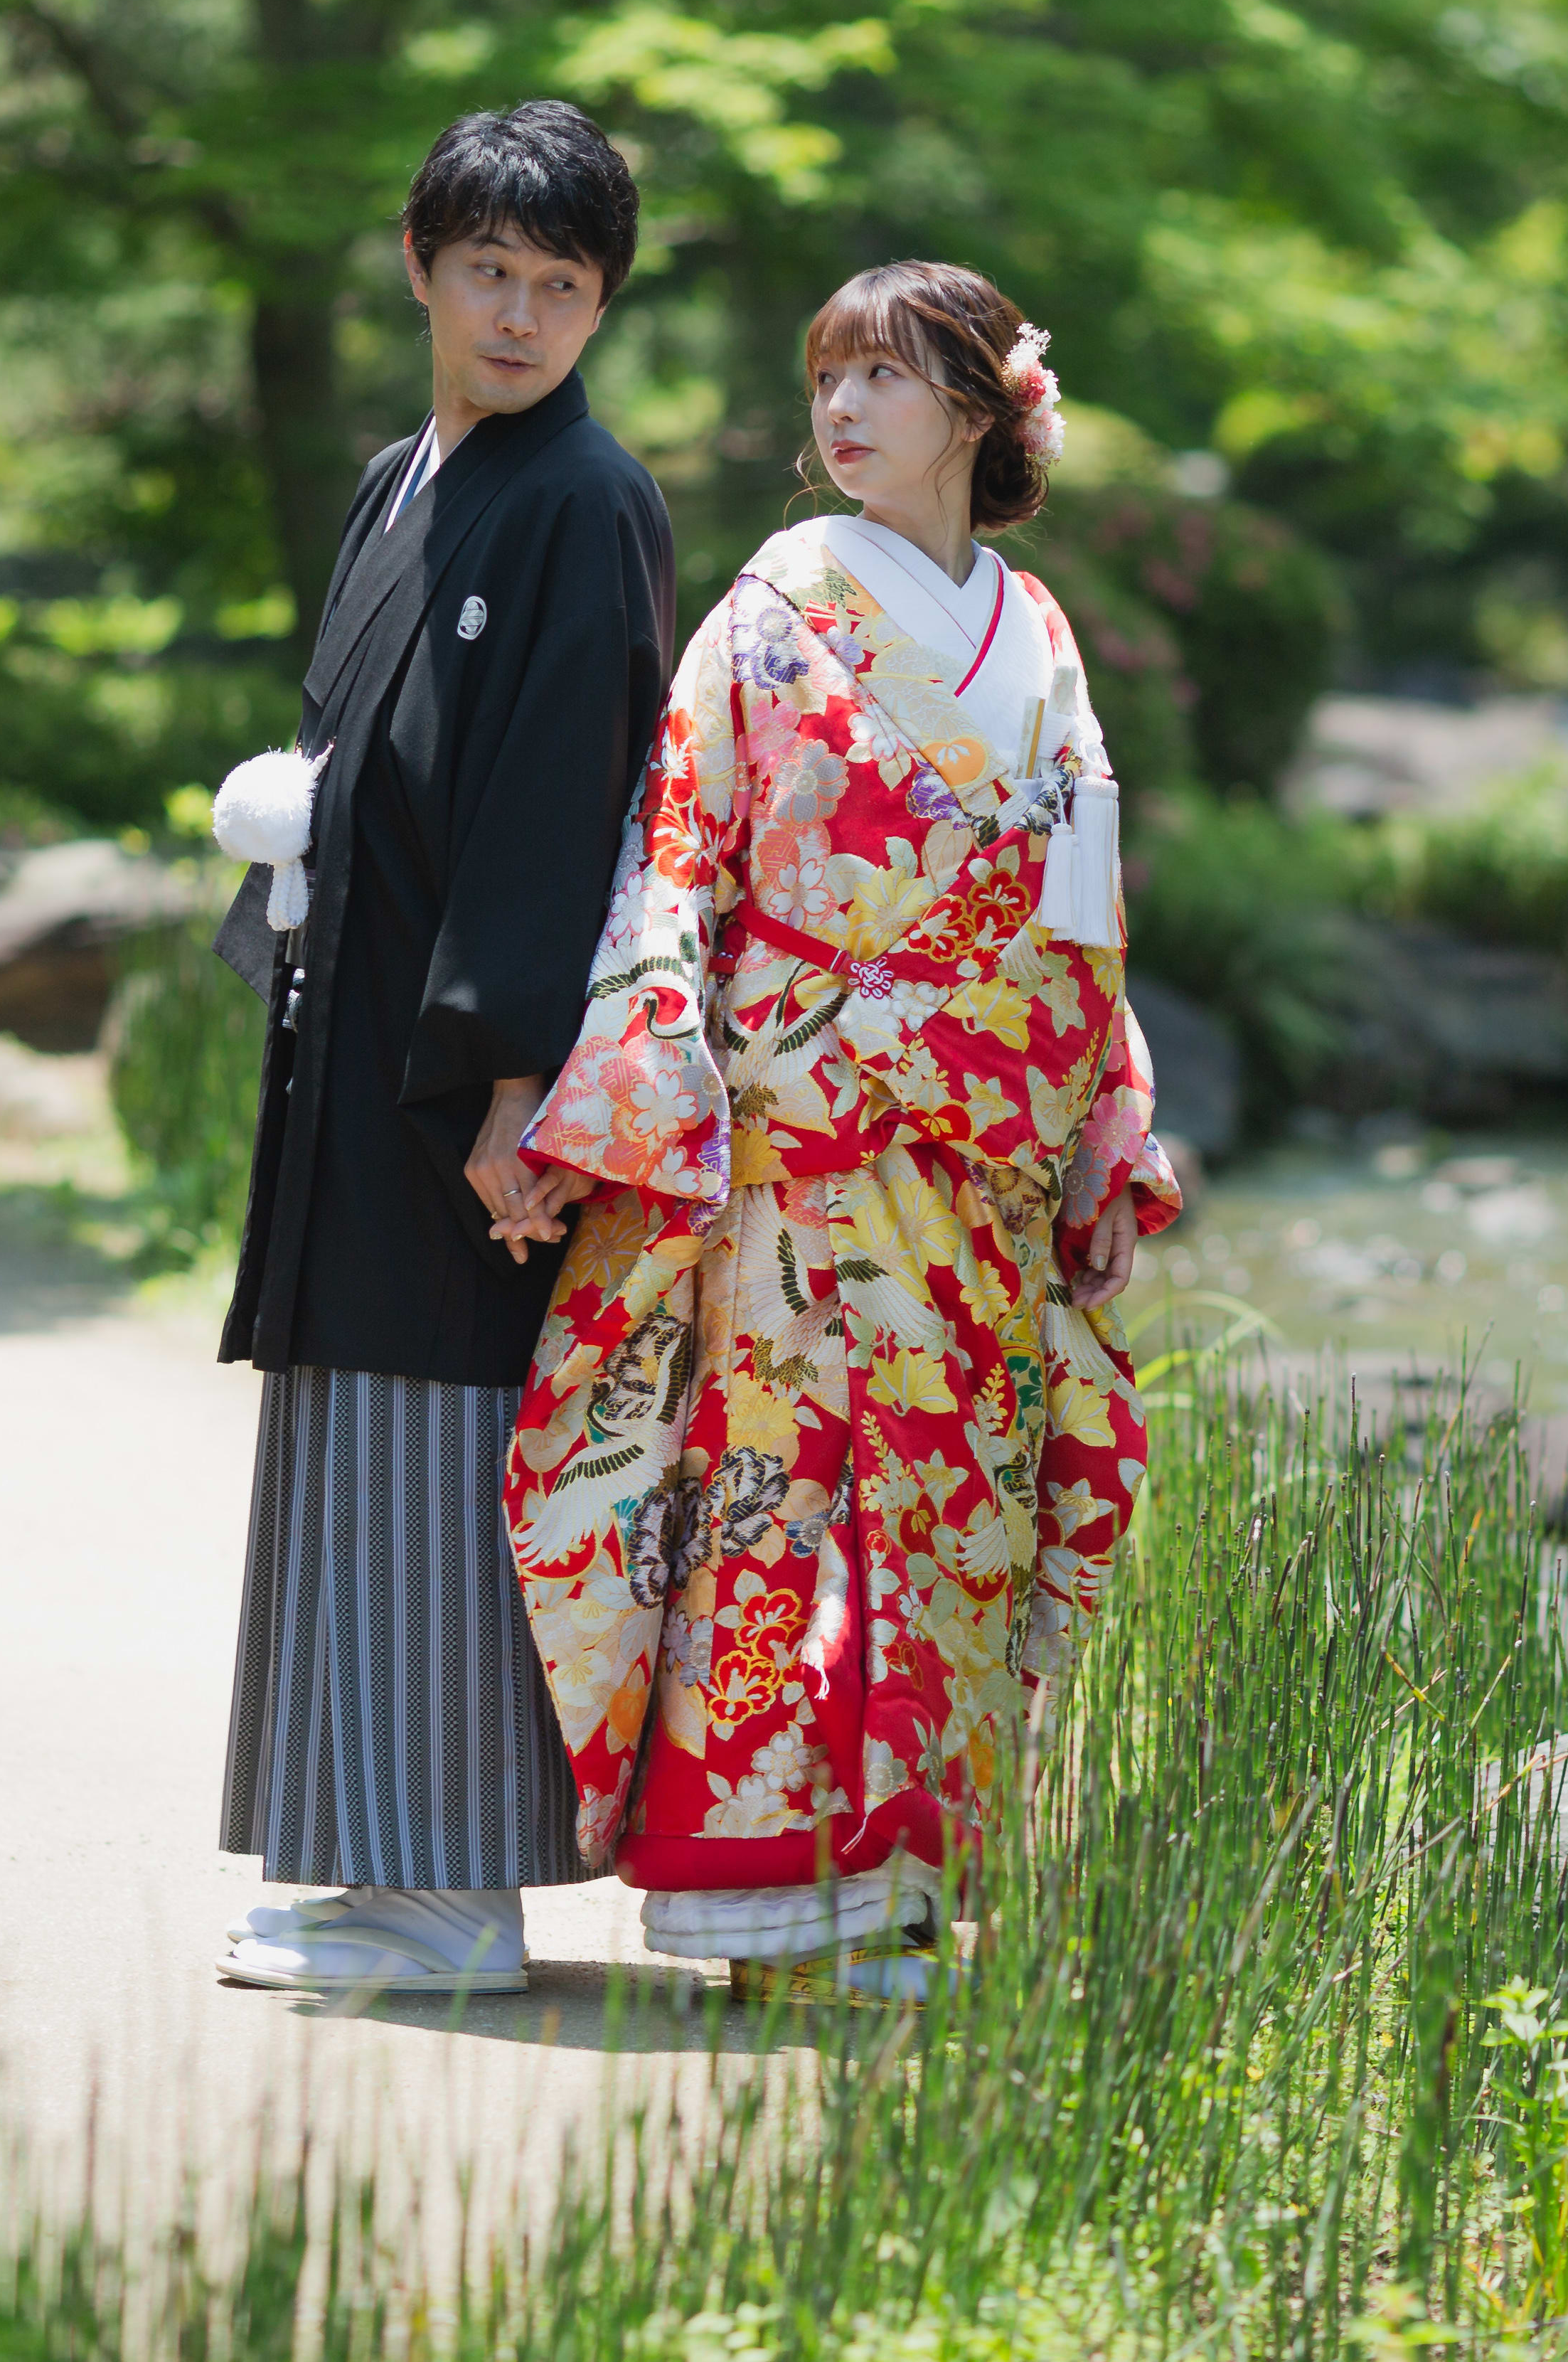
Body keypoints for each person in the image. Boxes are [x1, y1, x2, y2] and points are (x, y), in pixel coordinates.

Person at [501, 259, 1181, 2006]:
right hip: (800, 1136)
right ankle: (770, 1911)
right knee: (786, 1510)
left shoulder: (1038, 631)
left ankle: (902, 1889)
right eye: (830, 377)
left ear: (982, 405)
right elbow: (679, 848)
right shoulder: (775, 607)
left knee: (954, 1522)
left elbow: (1087, 914)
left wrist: (1109, 1128)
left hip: (984, 1172)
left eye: (886, 374)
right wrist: (640, 1082)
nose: (844, 410)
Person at [202, 100, 676, 1994]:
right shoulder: (399, 479)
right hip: (355, 1025)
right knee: (353, 1415)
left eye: (561, 285)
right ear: (420, 268)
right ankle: (367, 1862)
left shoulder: (586, 501)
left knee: (451, 1427)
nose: (521, 315)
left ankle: (457, 1894)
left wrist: (516, 1079)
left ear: (602, 306)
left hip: (466, 1071)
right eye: (489, 271)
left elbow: (565, 801)